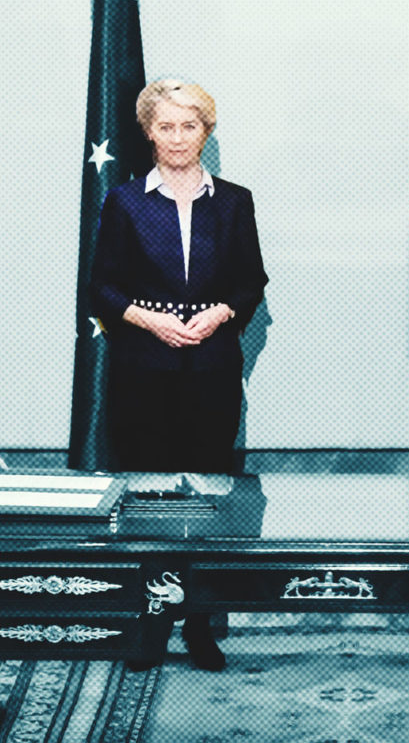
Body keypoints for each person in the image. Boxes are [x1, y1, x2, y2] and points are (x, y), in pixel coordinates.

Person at [91, 79, 268, 670]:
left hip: (212, 372)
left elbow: (251, 281)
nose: (176, 137)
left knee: (207, 504)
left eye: (188, 126)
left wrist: (222, 313)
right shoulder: (124, 202)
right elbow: (102, 288)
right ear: (148, 132)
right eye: (165, 126)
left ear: (205, 132)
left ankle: (200, 626)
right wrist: (149, 321)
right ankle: (149, 627)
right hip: (144, 373)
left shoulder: (234, 201)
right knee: (150, 504)